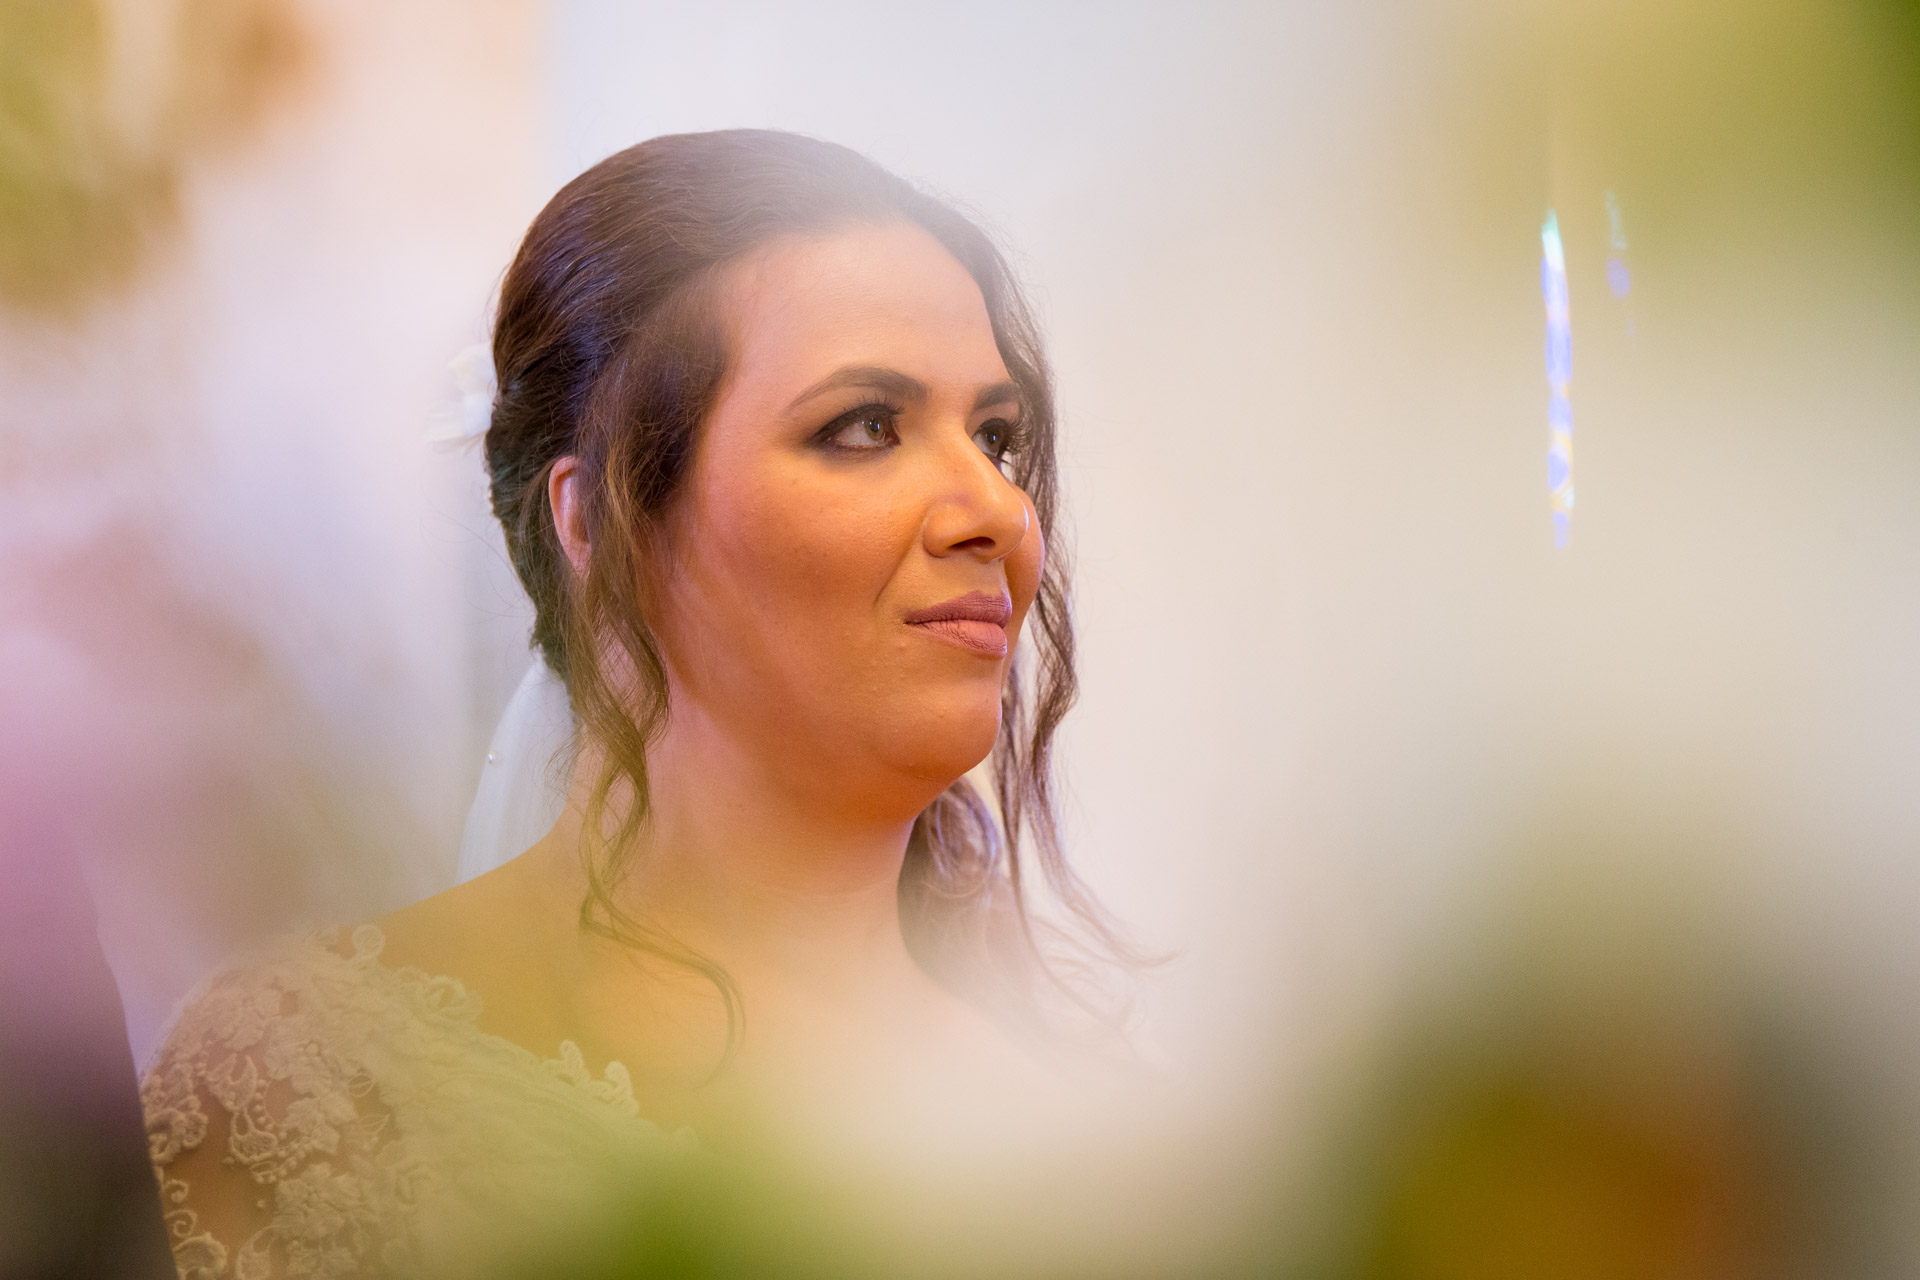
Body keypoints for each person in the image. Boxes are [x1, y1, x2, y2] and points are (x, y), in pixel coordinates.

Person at [137, 129, 1131, 1278]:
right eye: (864, 424)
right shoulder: (315, 1085)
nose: (996, 515)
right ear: (595, 519)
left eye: (997, 437)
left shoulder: (1093, 1139)